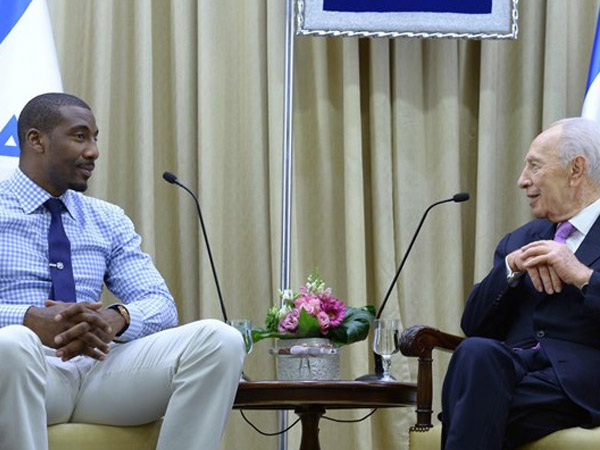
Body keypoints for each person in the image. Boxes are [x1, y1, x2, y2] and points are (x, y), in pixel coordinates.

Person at [0, 92, 246, 450]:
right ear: (36, 140)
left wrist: (118, 317)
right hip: (26, 370)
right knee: (11, 342)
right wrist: (27, 319)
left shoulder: (107, 218)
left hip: (98, 372)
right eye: (80, 136)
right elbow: (17, 337)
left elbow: (159, 302)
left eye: (95, 138)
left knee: (219, 339)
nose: (94, 151)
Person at [441, 117, 600, 449]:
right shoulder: (520, 240)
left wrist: (580, 275)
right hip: (512, 371)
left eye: (534, 167)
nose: (521, 180)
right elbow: (474, 325)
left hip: (579, 381)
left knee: (470, 402)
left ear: (576, 170)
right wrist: (510, 270)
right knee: (475, 351)